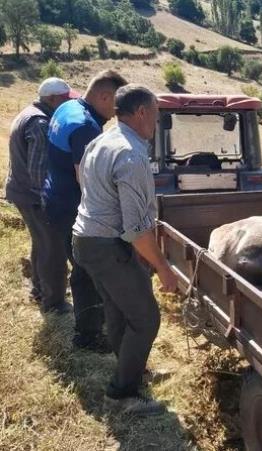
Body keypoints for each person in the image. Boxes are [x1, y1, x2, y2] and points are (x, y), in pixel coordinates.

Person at [72, 84, 178, 416]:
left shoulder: (100, 141)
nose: (157, 122)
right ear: (143, 113)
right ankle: (121, 395)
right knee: (146, 318)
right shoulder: (131, 155)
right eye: (157, 114)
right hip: (108, 246)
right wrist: (163, 268)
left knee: (118, 310)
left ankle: (129, 369)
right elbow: (136, 229)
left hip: (87, 240)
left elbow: (83, 182)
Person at [41, 70, 128, 352]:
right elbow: (87, 179)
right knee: (86, 270)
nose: (117, 115)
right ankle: (88, 336)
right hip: (70, 206)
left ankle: (90, 324)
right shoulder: (85, 126)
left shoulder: (69, 106)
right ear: (103, 96)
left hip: (55, 197)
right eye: (116, 106)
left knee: (80, 266)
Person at [4, 77, 76, 312]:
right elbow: (38, 171)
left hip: (22, 192)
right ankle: (54, 303)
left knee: (41, 243)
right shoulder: (40, 123)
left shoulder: (28, 112)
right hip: (34, 196)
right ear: (52, 99)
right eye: (64, 100)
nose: (67, 105)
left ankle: (39, 290)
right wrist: (49, 201)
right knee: (53, 249)